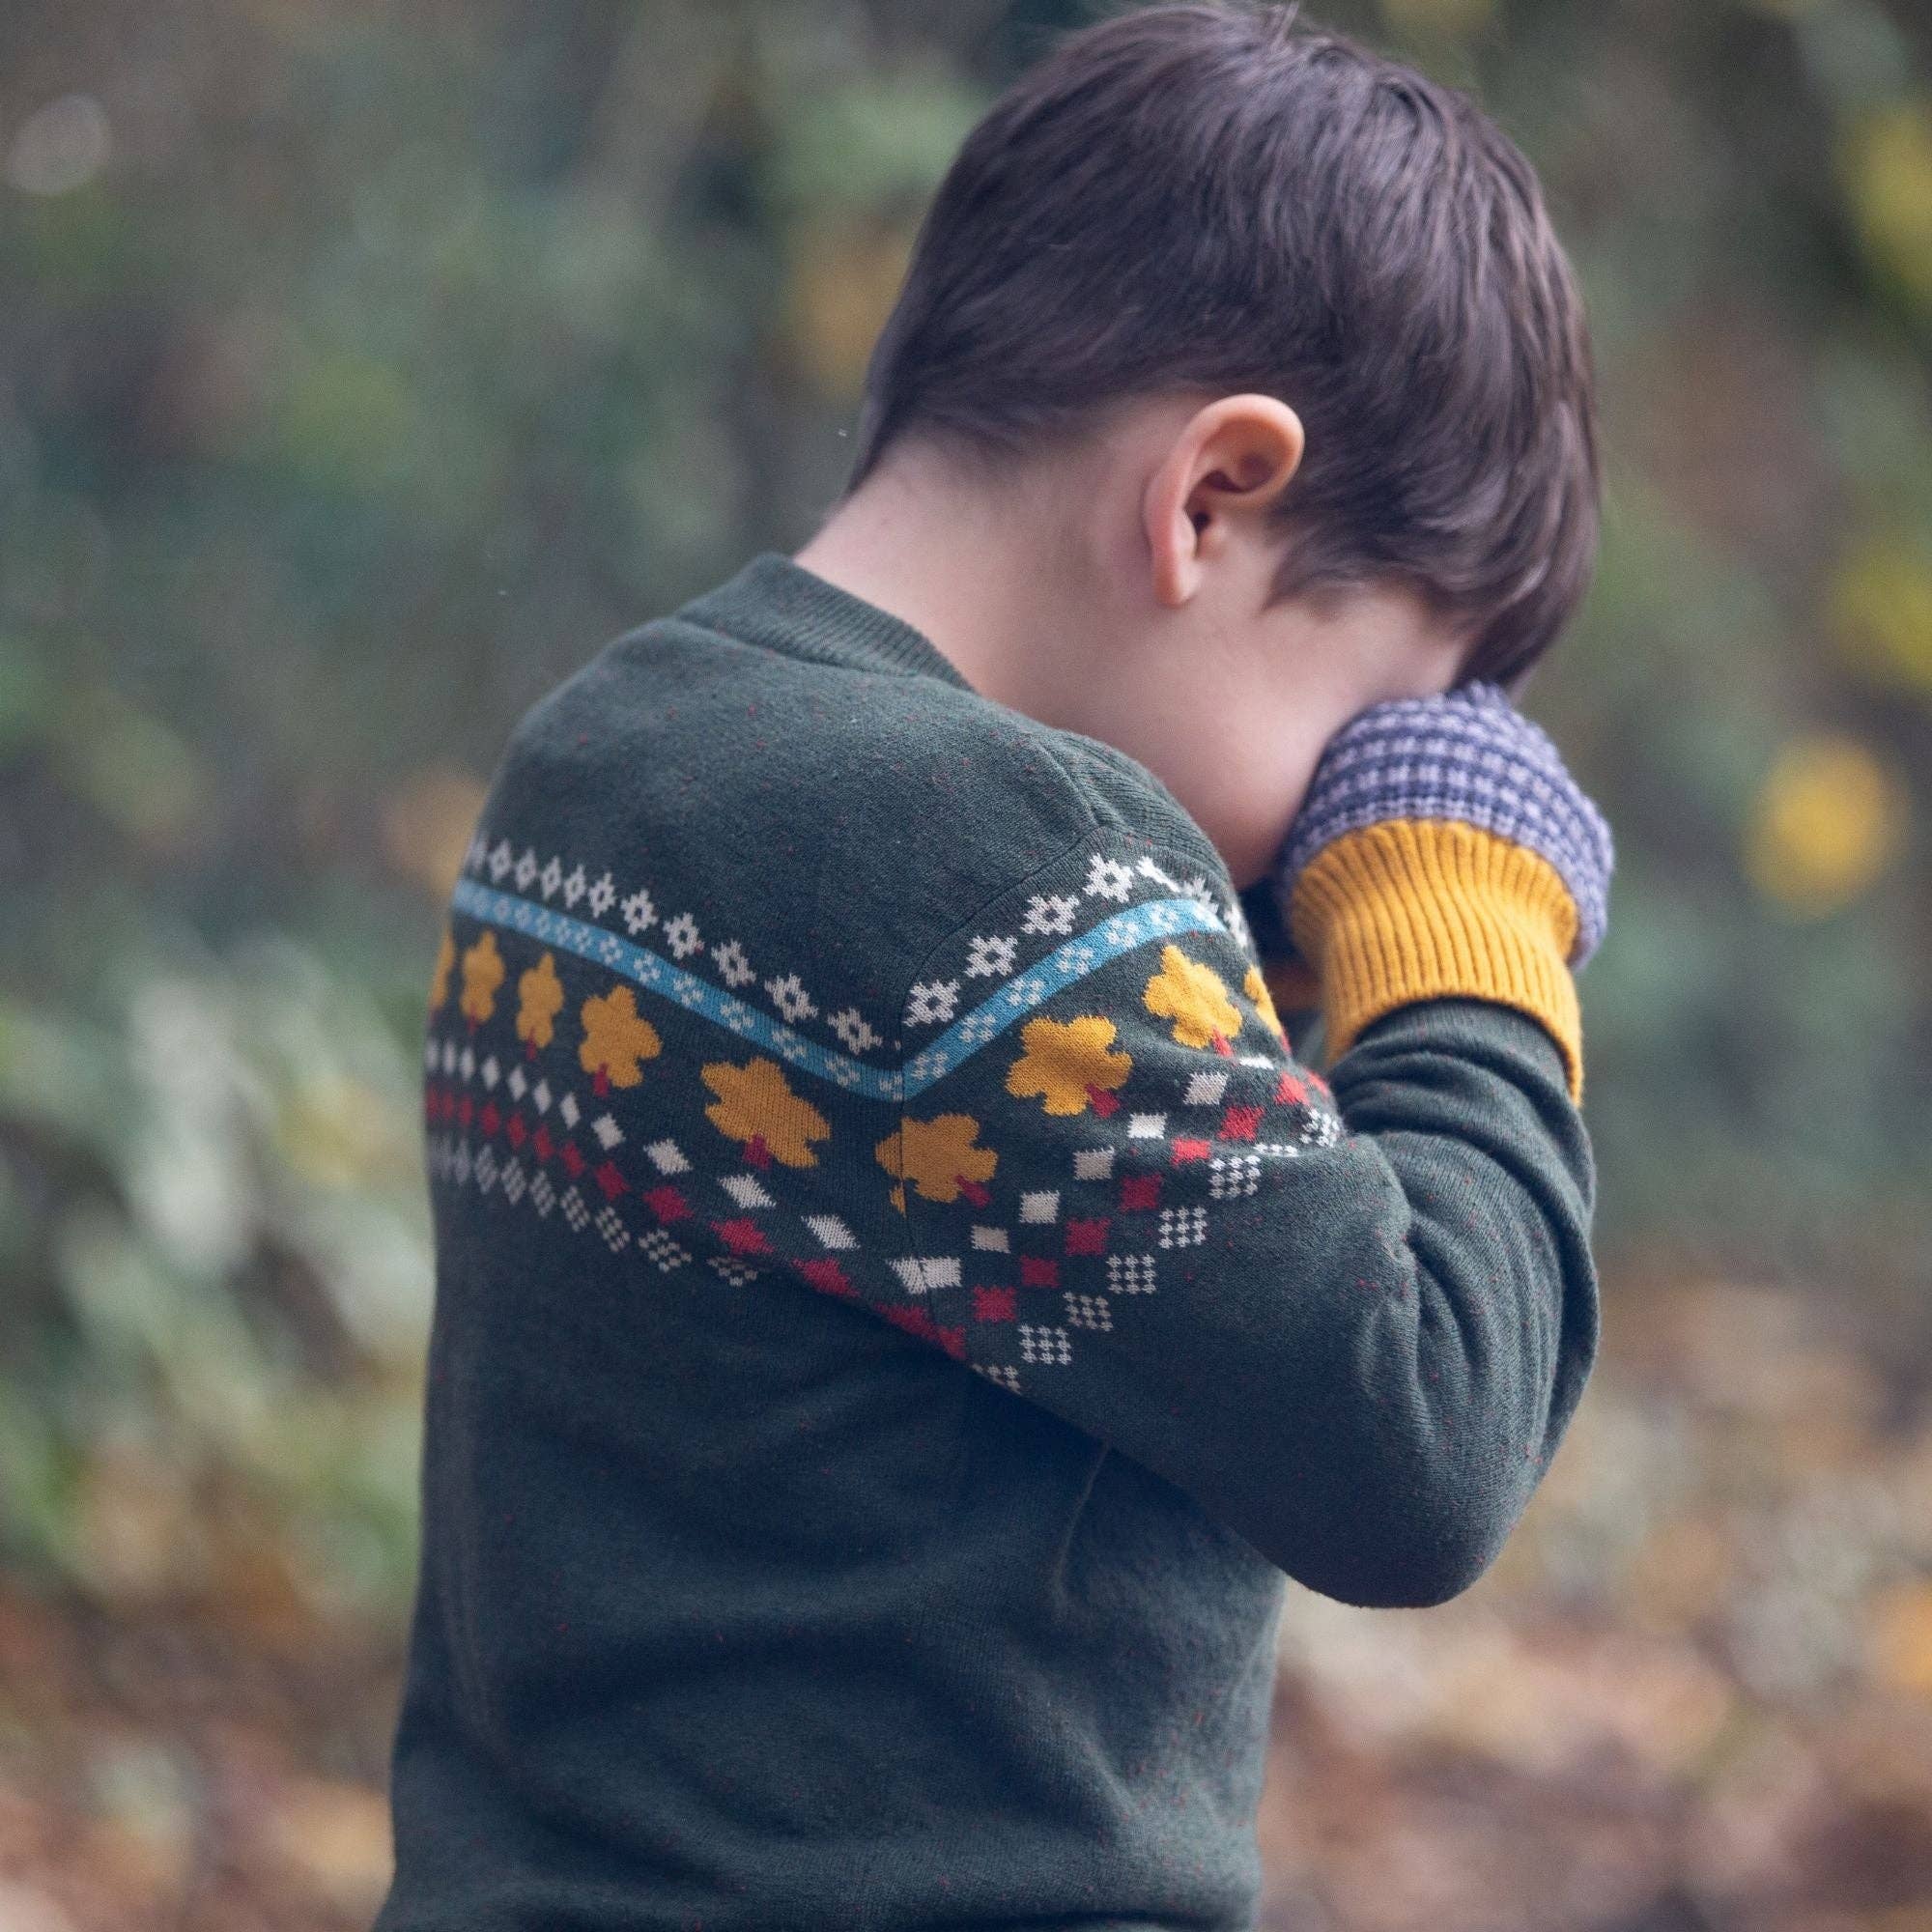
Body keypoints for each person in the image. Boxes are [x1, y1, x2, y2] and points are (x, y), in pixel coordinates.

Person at [374, 4, 1613, 1927]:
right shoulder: (994, 860)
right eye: (1372, 725)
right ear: (1208, 497)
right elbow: (1419, 1433)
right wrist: (1458, 911)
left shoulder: (609, 750)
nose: (1312, 844)